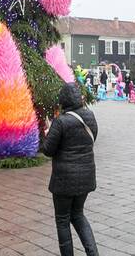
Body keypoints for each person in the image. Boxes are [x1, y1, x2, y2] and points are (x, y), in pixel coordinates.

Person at [41, 82, 99, 256]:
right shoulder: (90, 116)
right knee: (78, 215)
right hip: (86, 177)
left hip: (64, 180)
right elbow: (92, 139)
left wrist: (47, 133)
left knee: (62, 220)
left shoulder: (60, 122)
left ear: (63, 100)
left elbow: (48, 150)